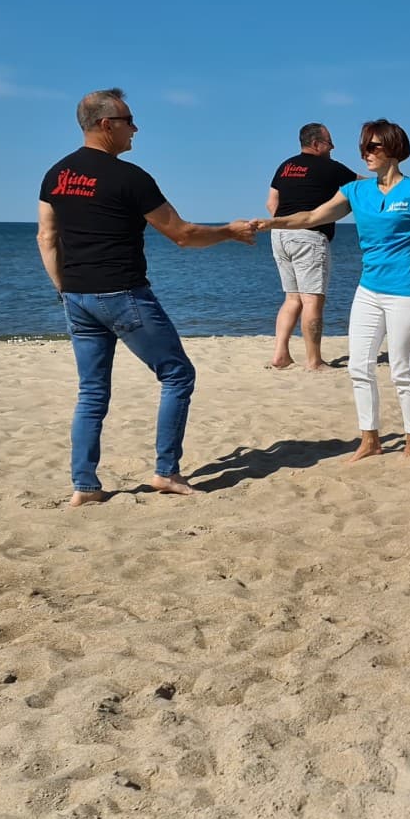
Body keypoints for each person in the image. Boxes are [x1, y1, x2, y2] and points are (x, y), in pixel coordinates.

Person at [36, 88, 255, 507]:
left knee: (92, 392)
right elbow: (182, 234)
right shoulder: (129, 177)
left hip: (78, 298)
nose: (135, 128)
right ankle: (166, 472)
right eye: (128, 120)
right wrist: (230, 231)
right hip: (121, 293)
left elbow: (47, 237)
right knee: (177, 374)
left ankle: (85, 486)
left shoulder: (56, 174)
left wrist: (63, 287)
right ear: (106, 125)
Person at [255, 119, 410, 461]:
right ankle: (370, 440)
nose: (366, 154)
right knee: (358, 367)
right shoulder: (355, 192)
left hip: (407, 291)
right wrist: (271, 223)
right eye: (363, 147)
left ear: (394, 150)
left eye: (373, 147)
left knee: (401, 369)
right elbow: (311, 217)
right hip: (368, 290)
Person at [265, 122, 356, 371]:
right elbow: (363, 185)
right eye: (329, 142)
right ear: (316, 144)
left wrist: (286, 222)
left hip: (279, 233)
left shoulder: (286, 166)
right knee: (312, 300)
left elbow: (271, 202)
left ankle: (280, 355)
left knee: (292, 298)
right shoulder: (330, 167)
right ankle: (314, 361)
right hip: (309, 235)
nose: (333, 147)